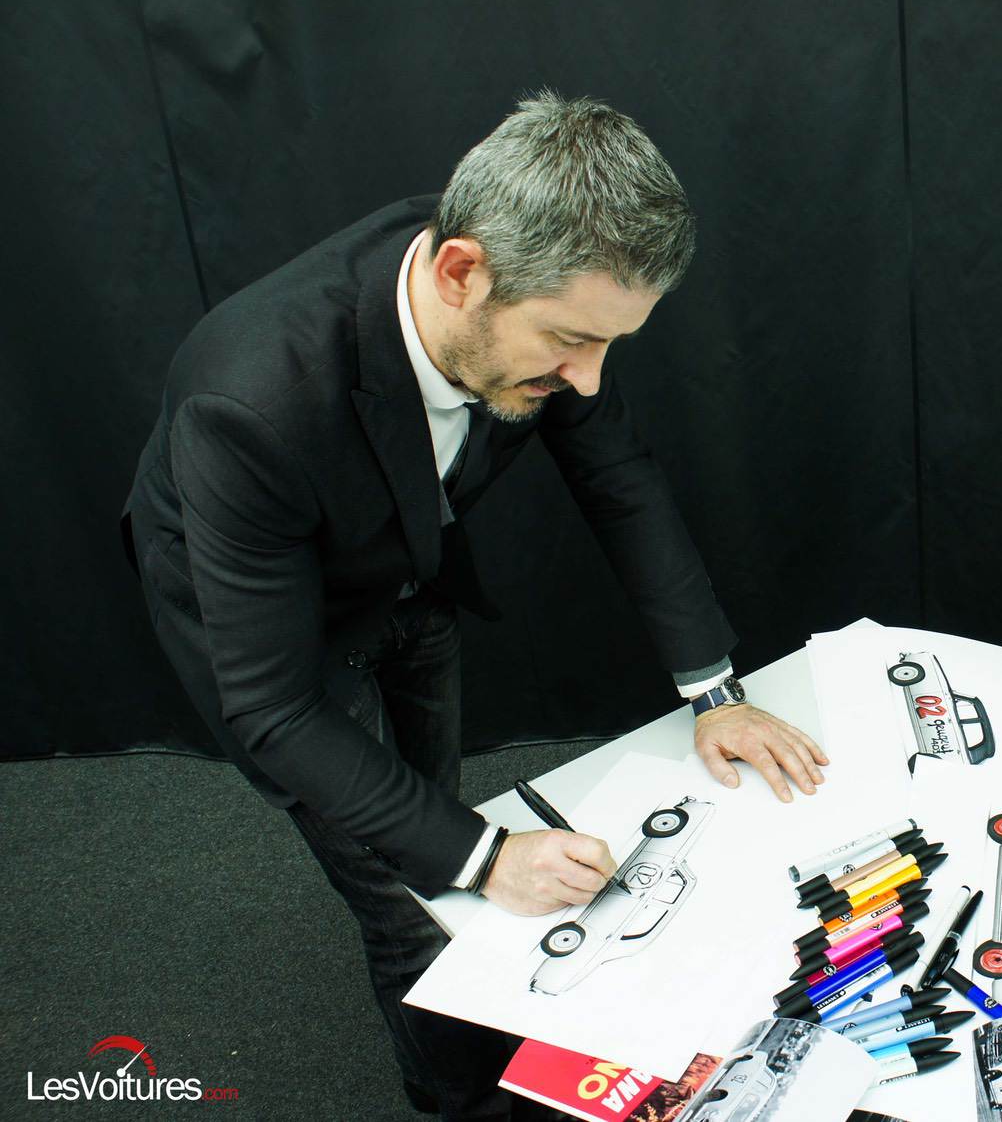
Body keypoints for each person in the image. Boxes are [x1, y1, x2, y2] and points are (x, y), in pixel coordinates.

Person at [119, 91, 828, 1119]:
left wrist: (714, 693)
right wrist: (481, 858)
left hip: (405, 565)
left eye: (609, 345)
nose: (588, 381)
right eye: (569, 343)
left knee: (436, 816)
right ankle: (457, 1097)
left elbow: (618, 479)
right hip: (267, 636)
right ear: (460, 274)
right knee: (416, 902)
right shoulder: (248, 401)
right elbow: (272, 708)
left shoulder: (528, 271)